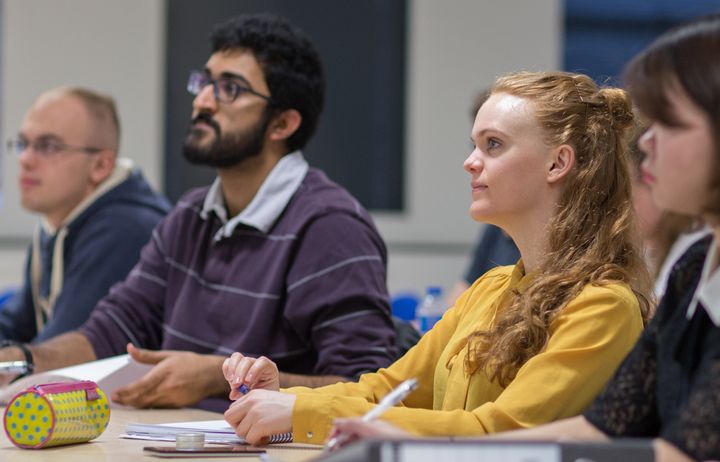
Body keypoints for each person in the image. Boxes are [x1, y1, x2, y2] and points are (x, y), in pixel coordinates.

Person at [330, 13, 720, 462]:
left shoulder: (607, 302)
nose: (647, 143)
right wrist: (396, 440)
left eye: (670, 124)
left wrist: (397, 440)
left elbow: (680, 452)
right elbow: (600, 429)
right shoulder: (694, 268)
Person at [222, 70, 653, 445]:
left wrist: (302, 415)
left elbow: (499, 434)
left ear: (558, 163)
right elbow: (387, 389)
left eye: (493, 145)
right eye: (475, 145)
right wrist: (285, 400)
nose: (469, 163)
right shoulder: (490, 288)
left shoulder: (603, 306)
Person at [0, 14, 395, 411]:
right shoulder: (189, 215)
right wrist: (19, 362)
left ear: (282, 123)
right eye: (204, 82)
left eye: (229, 89)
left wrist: (215, 376)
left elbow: (366, 388)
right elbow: (109, 331)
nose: (203, 100)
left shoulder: (329, 227)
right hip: (168, 442)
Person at [0, 87, 170, 345]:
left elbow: (60, 353)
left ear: (101, 166)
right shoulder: (58, 221)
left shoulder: (124, 229)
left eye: (47, 146)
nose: (25, 159)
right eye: (24, 144)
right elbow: (17, 323)